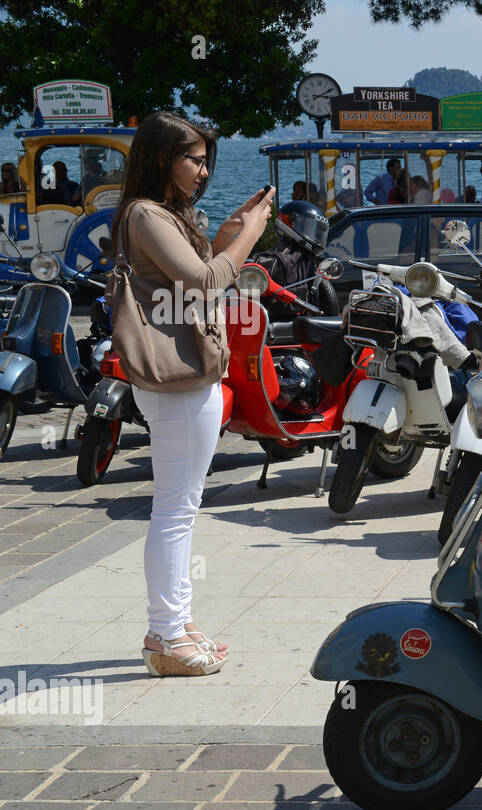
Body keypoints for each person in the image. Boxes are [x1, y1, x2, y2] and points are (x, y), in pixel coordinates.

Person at [110, 111, 275, 675]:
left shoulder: (166, 214)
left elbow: (198, 271)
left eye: (207, 161)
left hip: (190, 375)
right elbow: (206, 283)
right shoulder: (146, 214)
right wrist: (249, 238)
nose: (203, 171)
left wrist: (226, 234)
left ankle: (176, 624)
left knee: (182, 504)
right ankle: (165, 635)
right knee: (176, 508)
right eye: (193, 159)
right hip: (177, 377)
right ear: (161, 157)